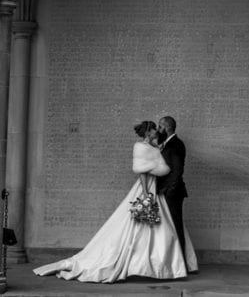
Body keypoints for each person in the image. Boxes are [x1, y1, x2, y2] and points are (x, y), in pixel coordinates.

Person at [33, 120, 198, 283]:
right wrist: (147, 193)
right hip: (149, 189)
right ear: (148, 133)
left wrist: (161, 187)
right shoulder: (142, 147)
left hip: (162, 190)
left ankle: (167, 265)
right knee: (147, 228)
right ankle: (151, 265)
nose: (158, 130)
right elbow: (142, 171)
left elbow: (175, 169)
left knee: (167, 228)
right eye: (155, 128)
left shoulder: (166, 145)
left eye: (160, 127)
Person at [155, 115, 188, 259]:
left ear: (168, 127)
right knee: (168, 227)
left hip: (172, 193)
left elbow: (178, 170)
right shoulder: (166, 143)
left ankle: (181, 262)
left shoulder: (176, 144)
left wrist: (170, 190)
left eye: (160, 126)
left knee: (176, 226)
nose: (158, 129)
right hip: (165, 191)